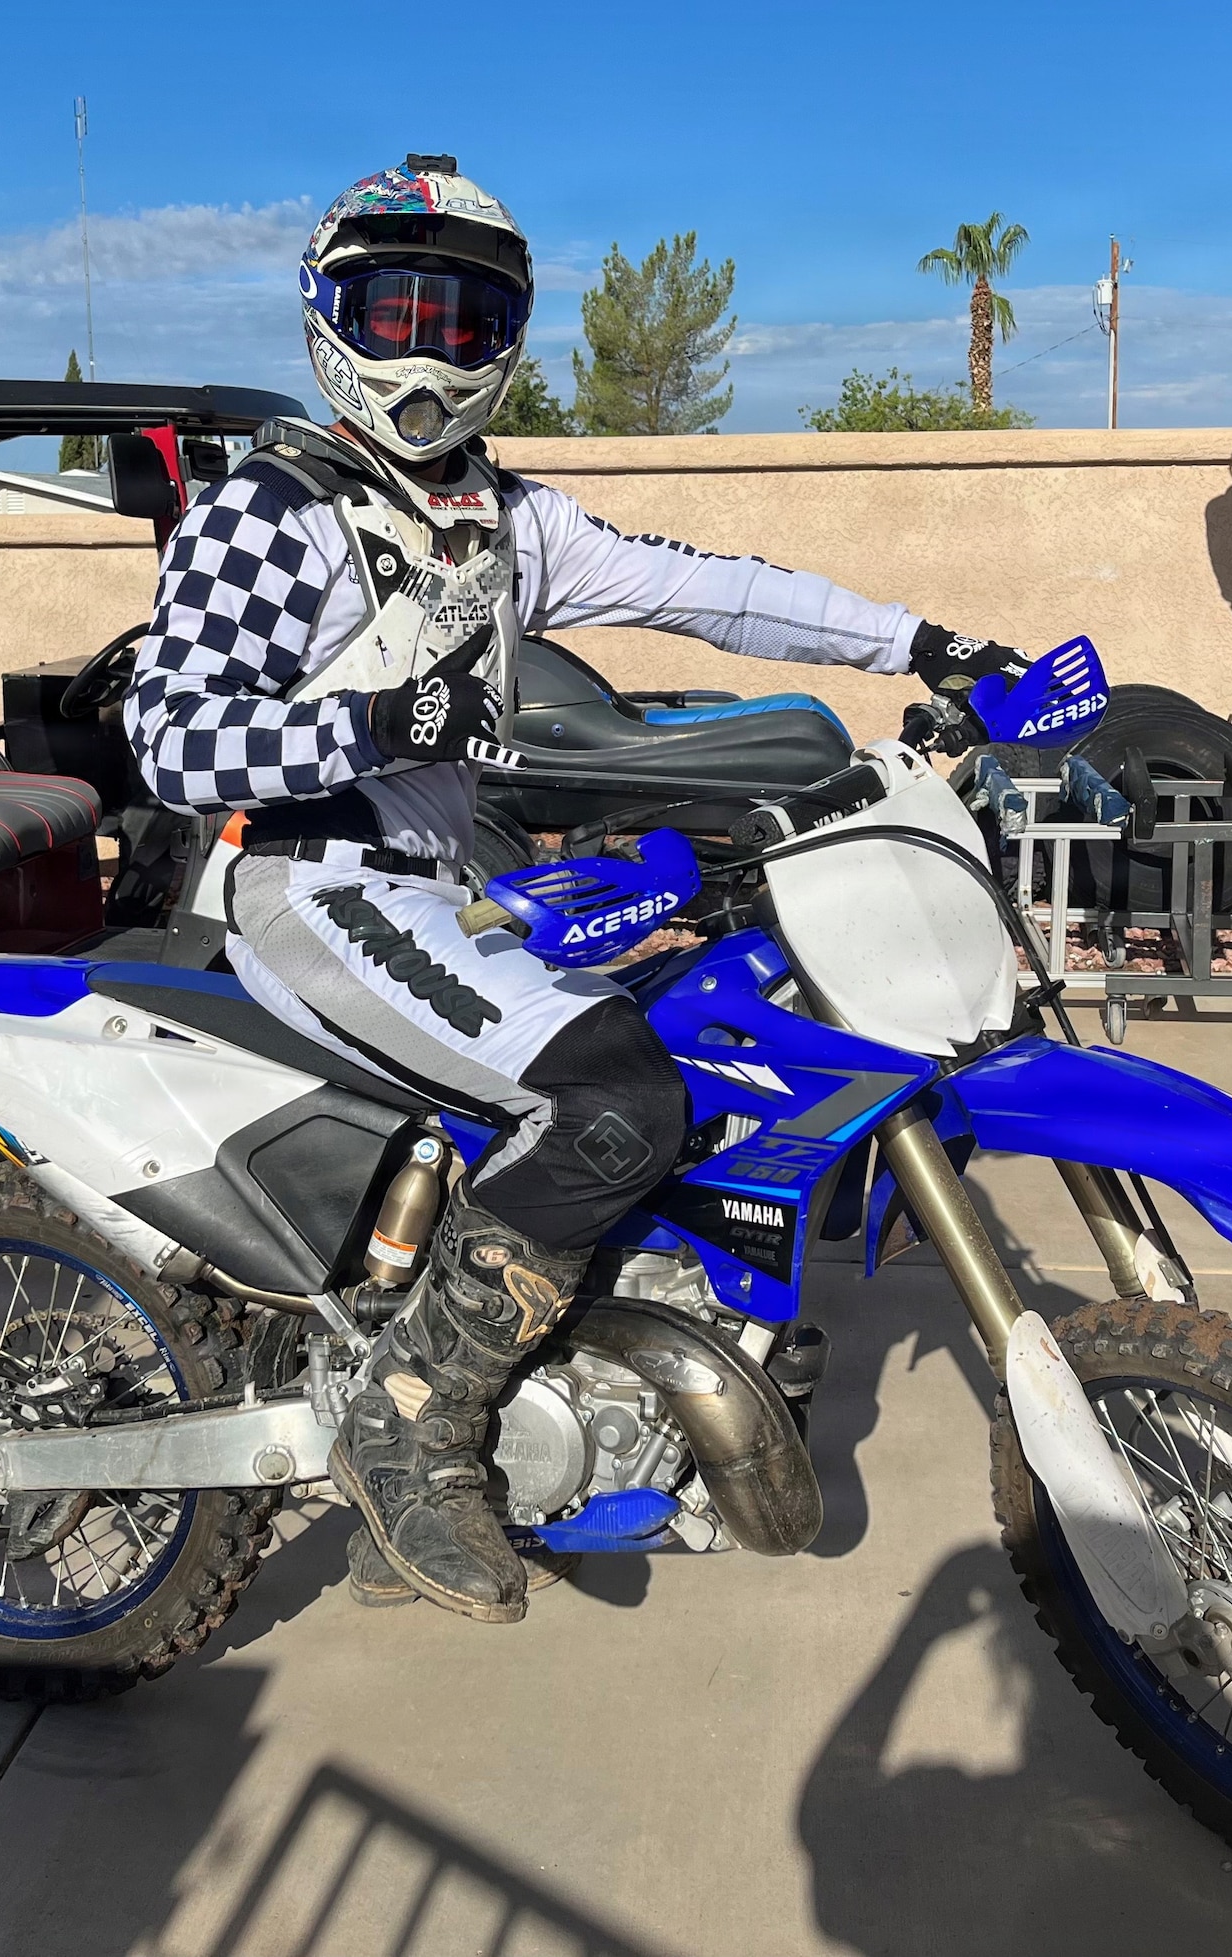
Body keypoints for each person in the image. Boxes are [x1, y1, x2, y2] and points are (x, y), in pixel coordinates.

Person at [125, 155, 1033, 1625]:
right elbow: (170, 734)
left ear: (509, 338)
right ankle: (411, 1423)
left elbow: (713, 589)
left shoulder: (505, 520)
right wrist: (371, 726)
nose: (424, 350)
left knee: (694, 1040)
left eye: (463, 321)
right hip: (319, 889)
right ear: (327, 316)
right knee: (614, 1100)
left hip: (437, 885)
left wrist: (924, 640)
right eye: (393, 309)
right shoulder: (272, 507)